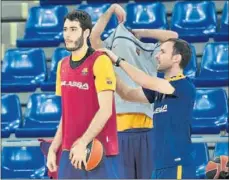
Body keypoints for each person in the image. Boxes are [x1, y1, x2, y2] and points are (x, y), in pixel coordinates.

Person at [90, 3, 178, 179]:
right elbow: (93, 36)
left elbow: (173, 37)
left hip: (148, 127)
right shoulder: (107, 51)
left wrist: (139, 32)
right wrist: (112, 8)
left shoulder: (152, 54)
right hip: (119, 129)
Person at [98, 38, 197, 179]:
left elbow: (143, 80)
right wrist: (109, 71)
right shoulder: (160, 88)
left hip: (177, 164)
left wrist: (118, 60)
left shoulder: (183, 85)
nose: (157, 55)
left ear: (176, 58)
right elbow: (127, 94)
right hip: (158, 166)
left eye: (162, 52)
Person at [46, 10, 119, 179]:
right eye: (65, 29)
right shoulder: (62, 65)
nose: (67, 35)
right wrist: (53, 147)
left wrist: (83, 142)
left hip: (98, 151)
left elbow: (106, 110)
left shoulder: (100, 61)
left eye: (73, 29)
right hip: (69, 151)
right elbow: (67, 114)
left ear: (86, 32)